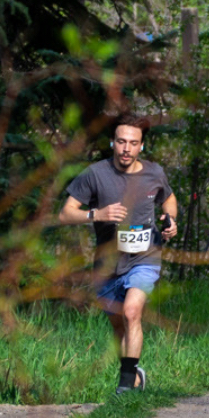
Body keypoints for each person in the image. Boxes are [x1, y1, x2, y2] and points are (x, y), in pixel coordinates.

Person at [59, 113, 178, 393]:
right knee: (118, 327)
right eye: (121, 142)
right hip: (107, 263)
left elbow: (169, 199)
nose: (127, 149)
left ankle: (124, 389)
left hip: (145, 258)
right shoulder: (95, 174)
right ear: (113, 143)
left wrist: (171, 220)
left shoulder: (154, 173)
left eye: (133, 143)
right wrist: (96, 213)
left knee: (132, 311)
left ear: (141, 146)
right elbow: (65, 214)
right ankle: (135, 377)